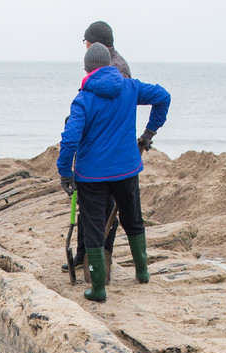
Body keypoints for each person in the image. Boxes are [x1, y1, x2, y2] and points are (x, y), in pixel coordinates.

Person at [57, 43, 170, 302]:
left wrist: (65, 172)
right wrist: (149, 132)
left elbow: (70, 139)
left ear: (86, 69)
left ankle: (98, 288)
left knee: (94, 226)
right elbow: (163, 97)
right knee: (133, 219)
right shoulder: (130, 88)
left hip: (92, 175)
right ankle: (142, 273)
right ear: (109, 65)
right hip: (127, 169)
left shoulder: (83, 99)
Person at [64, 20, 133, 275]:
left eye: (86, 42)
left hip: (106, 152)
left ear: (93, 43)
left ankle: (102, 258)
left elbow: (113, 110)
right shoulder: (105, 62)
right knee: (89, 208)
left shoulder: (115, 68)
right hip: (96, 149)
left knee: (104, 210)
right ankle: (84, 255)